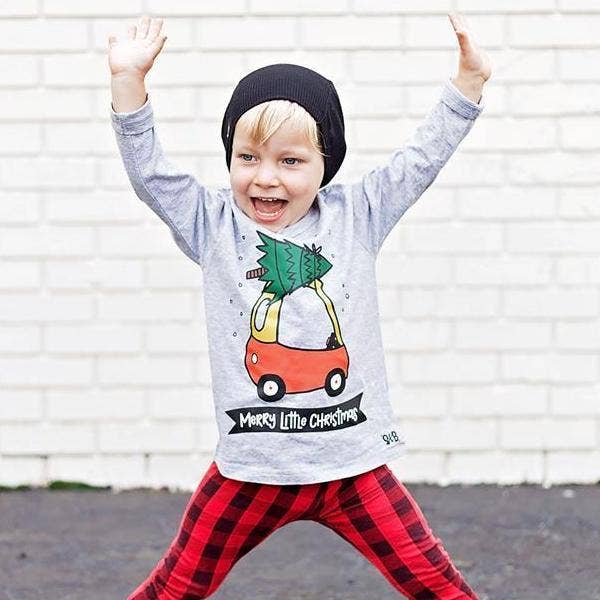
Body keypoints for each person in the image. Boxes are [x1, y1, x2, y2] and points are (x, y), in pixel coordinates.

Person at [108, 13, 490, 600]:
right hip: (251, 471)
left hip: (354, 470)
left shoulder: (358, 215)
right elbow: (151, 175)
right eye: (248, 157)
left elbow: (421, 159)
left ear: (324, 164)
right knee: (177, 585)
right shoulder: (212, 224)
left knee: (437, 583)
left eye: (290, 161)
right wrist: (128, 83)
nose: (266, 178)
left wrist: (468, 84)